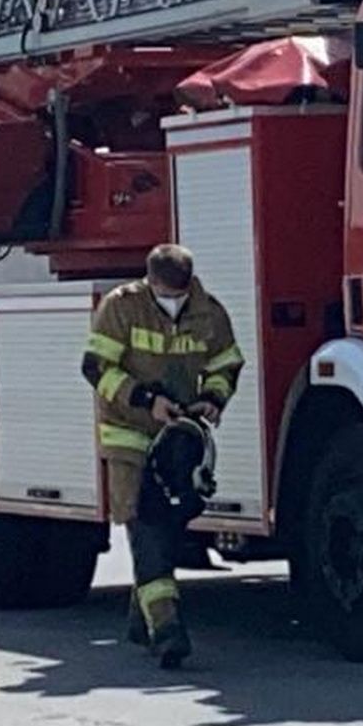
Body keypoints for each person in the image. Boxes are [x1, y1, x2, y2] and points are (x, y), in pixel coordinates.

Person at [80, 243, 242, 668]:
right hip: (129, 432)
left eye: (182, 292)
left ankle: (141, 620)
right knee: (146, 526)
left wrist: (212, 399)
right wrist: (145, 400)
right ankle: (168, 629)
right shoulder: (121, 307)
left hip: (179, 437)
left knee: (169, 528)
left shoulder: (208, 310)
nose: (176, 300)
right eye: (168, 292)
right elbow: (96, 367)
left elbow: (227, 362)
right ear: (150, 282)